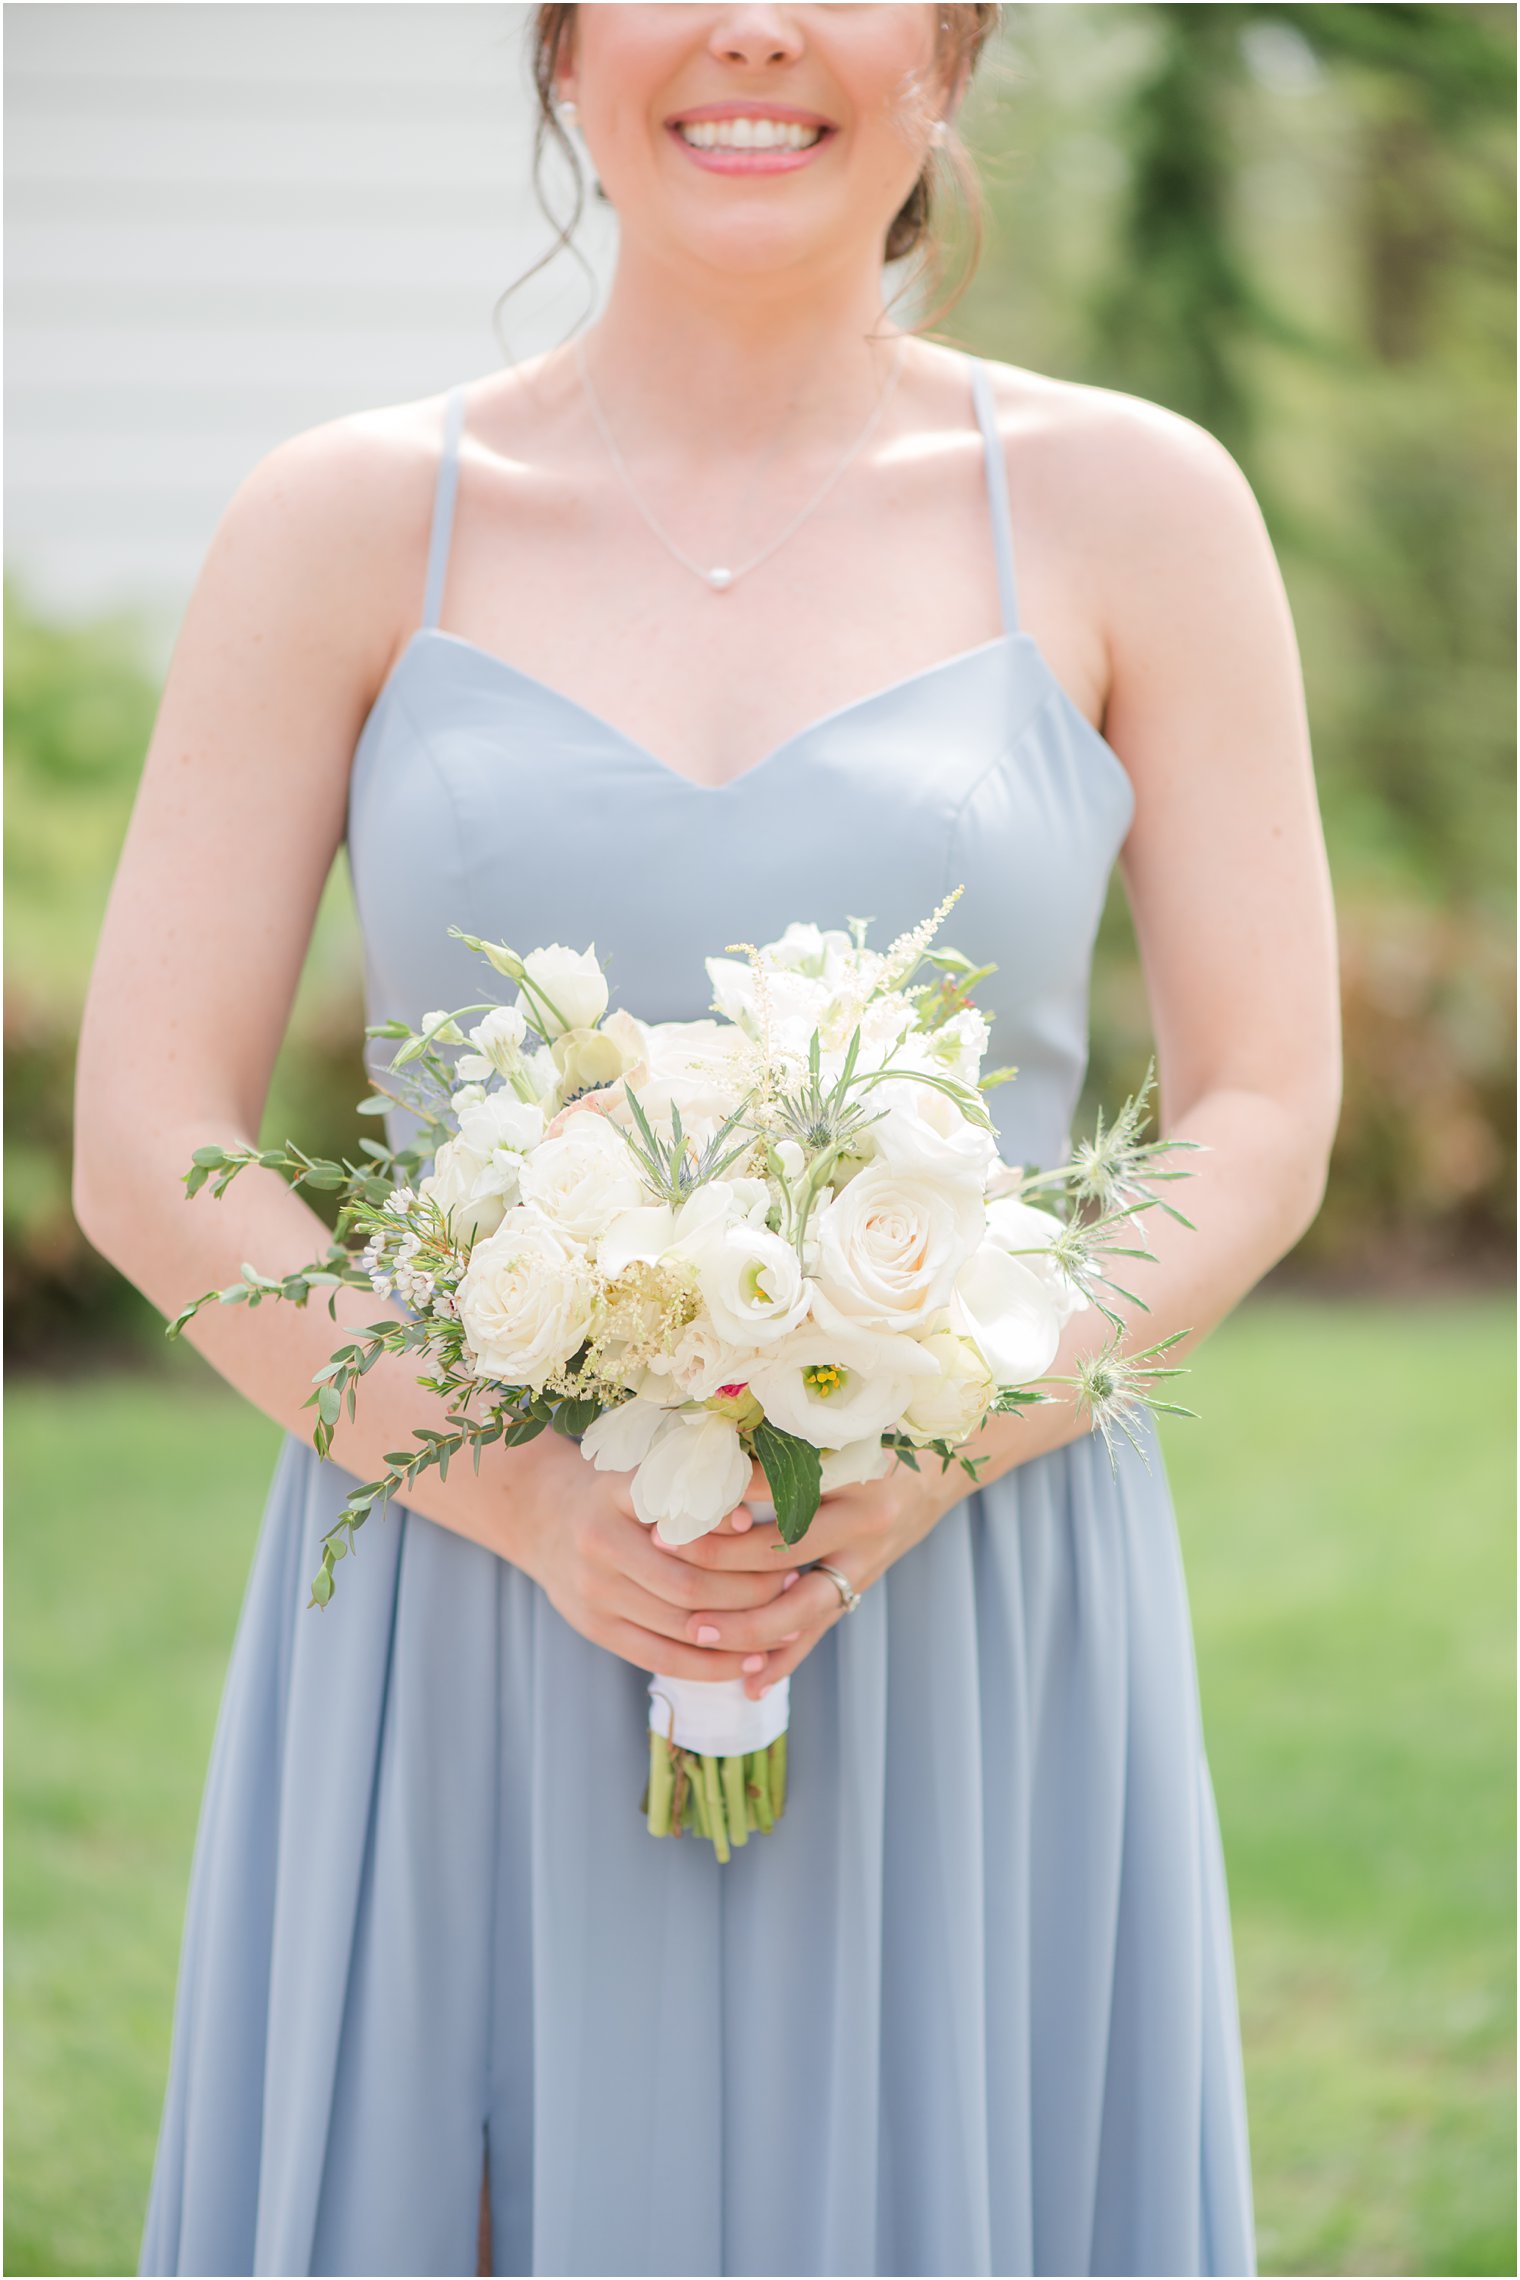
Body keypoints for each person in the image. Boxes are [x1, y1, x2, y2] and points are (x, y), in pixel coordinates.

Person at [74, 5, 1341, 2274]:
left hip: (956, 1588)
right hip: (469, 1606)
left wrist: (949, 1438)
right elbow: (150, 1131)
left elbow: (1263, 1108)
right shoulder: (351, 521)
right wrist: (521, 1496)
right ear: (564, 54)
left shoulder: (1138, 505)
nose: (751, 26)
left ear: (949, 55)